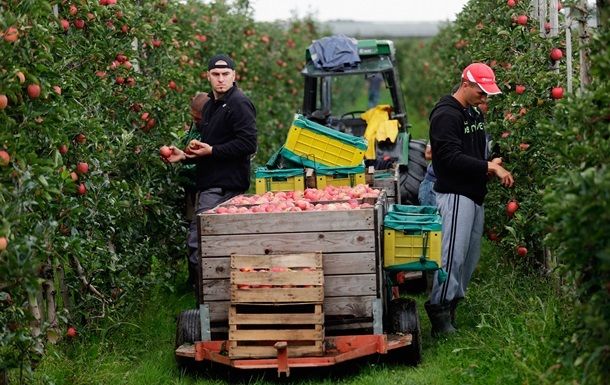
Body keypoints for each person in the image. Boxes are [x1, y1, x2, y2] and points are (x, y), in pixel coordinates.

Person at [425, 63, 514, 336]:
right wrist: (489, 167)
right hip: (454, 194)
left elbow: (471, 154)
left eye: (488, 93)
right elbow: (448, 158)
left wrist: (488, 162)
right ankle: (439, 312)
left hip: (474, 194)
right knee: (451, 256)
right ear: (466, 83)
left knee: (468, 258)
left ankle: (452, 307)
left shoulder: (473, 112)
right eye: (481, 92)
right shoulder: (445, 115)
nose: (484, 98)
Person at [165, 54, 257, 295]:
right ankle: (212, 304)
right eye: (216, 75)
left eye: (225, 74)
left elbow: (248, 144)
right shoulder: (210, 107)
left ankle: (209, 305)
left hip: (223, 189)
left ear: (234, 76)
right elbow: (210, 149)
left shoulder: (239, 103)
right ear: (208, 76)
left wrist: (213, 150)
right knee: (211, 247)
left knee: (200, 246)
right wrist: (185, 156)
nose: (220, 80)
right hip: (209, 186)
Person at [180, 92, 210, 222]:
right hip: (188, 183)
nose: (194, 121)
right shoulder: (196, 124)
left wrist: (187, 156)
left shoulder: (212, 129)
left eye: (198, 119)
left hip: (203, 184)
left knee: (199, 221)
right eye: (193, 117)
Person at [417, 142, 437, 206]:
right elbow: (428, 154)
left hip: (451, 186)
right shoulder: (439, 133)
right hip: (431, 184)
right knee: (430, 214)